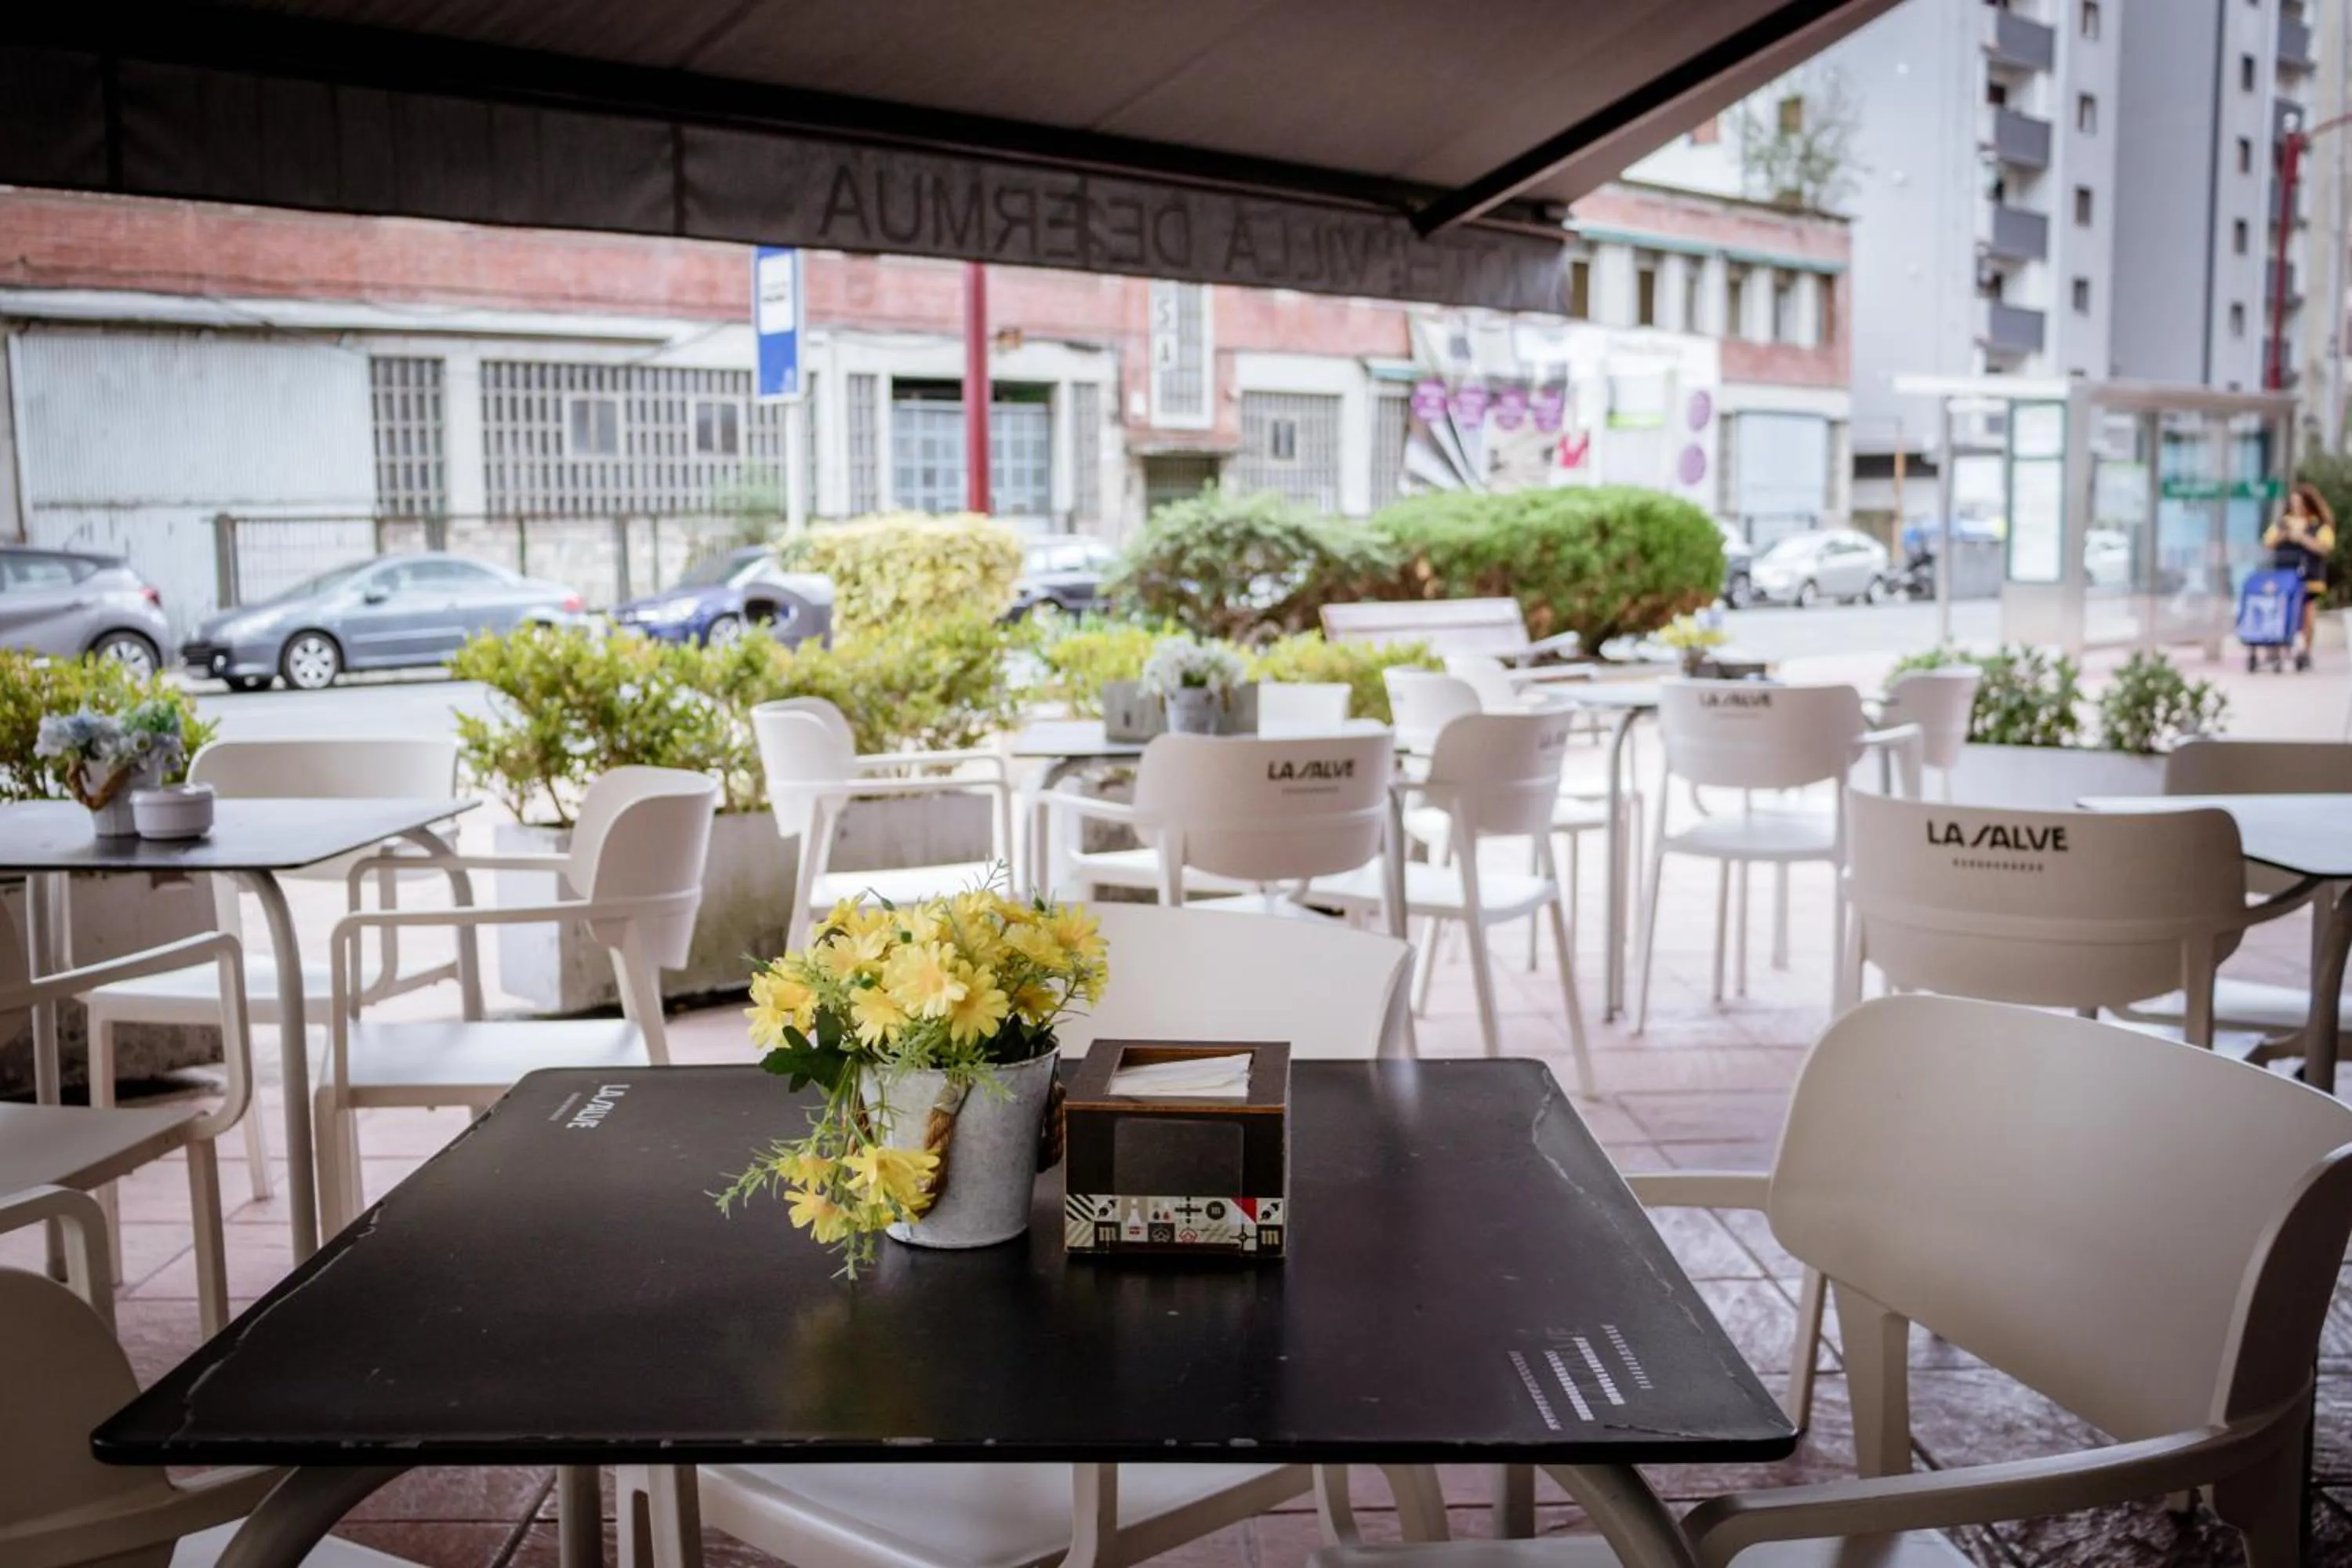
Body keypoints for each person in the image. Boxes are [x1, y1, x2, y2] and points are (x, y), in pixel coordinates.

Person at [2263, 482, 2336, 670]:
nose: (2297, 507)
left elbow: (2325, 548)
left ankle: (2305, 652)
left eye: (2300, 503)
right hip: (2284, 577)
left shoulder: (2319, 526)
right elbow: (2269, 542)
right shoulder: (2283, 523)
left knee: (2308, 616)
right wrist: (2286, 535)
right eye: (2294, 503)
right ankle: (2277, 649)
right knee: (2281, 613)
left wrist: (2302, 537)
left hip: (2309, 577)